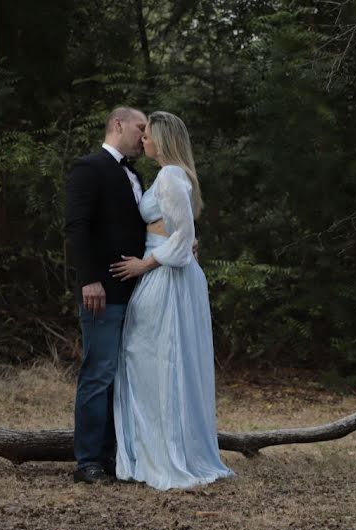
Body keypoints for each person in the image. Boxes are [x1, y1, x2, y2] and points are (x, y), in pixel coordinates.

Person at [109, 111, 234, 490]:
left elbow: (183, 234)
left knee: (159, 359)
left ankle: (166, 452)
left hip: (166, 277)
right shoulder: (170, 176)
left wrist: (144, 263)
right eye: (141, 132)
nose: (142, 139)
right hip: (168, 272)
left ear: (162, 139)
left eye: (148, 134)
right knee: (150, 358)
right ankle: (151, 444)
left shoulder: (170, 176)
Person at [65, 106, 148, 484]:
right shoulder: (89, 167)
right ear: (118, 124)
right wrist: (88, 280)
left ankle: (116, 457)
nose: (145, 136)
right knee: (98, 372)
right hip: (103, 289)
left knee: (122, 376)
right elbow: (77, 226)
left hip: (138, 291)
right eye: (140, 127)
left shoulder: (135, 175)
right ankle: (88, 461)